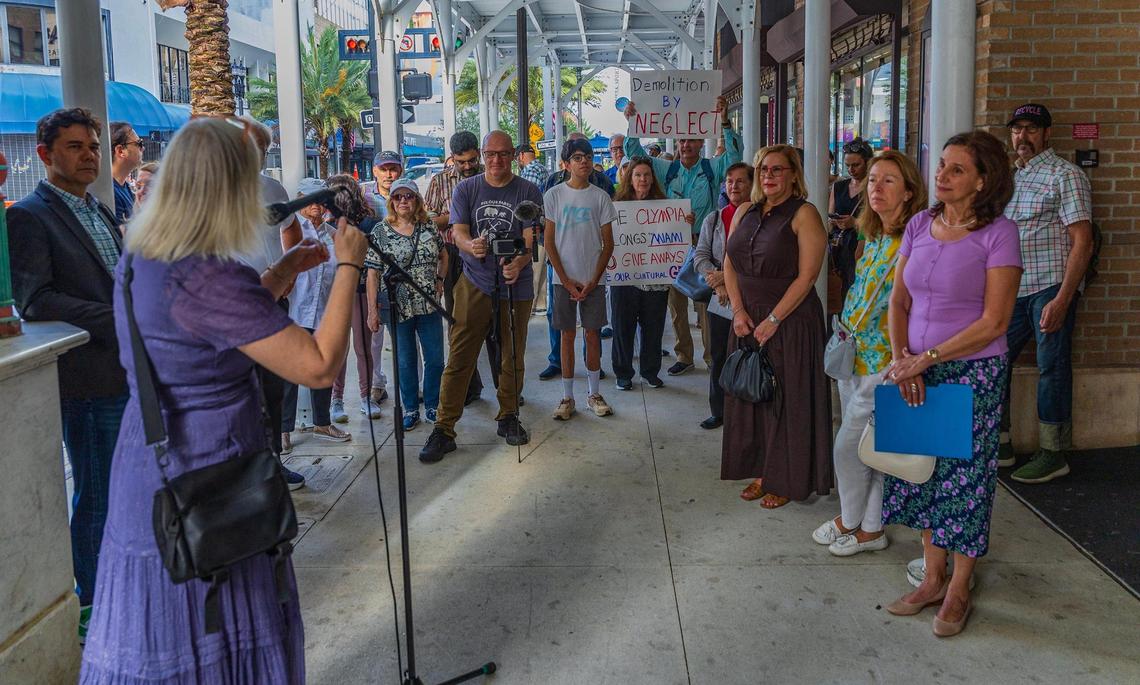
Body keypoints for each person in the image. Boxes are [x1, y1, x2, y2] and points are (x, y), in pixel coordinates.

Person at [78, 116, 369, 682]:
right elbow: (317, 366)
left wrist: (282, 270)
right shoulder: (209, 278)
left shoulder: (147, 258)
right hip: (212, 478)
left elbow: (209, 326)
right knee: (215, 630)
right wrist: (348, 266)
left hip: (153, 465)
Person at [882, 131, 1021, 638]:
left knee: (965, 480)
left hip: (971, 372)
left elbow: (995, 321)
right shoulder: (920, 223)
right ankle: (932, 577)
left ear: (983, 181)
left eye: (956, 169)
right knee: (923, 472)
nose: (941, 175)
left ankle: (960, 586)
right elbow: (898, 302)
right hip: (915, 368)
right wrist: (903, 360)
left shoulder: (999, 233)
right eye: (941, 165)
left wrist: (927, 359)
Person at [7, 107, 126, 643]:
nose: (88, 156)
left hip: (123, 370)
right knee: (97, 494)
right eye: (75, 146)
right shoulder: (30, 215)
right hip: (86, 378)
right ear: (45, 154)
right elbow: (36, 300)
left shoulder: (97, 207)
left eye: (93, 146)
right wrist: (120, 318)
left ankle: (120, 593)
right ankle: (94, 606)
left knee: (123, 492)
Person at [810, 151, 927, 557]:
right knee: (868, 448)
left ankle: (848, 518)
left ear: (910, 192)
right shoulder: (874, 236)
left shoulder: (914, 242)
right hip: (852, 353)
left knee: (848, 446)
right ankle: (870, 528)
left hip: (884, 361)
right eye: (873, 180)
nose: (876, 187)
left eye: (888, 181)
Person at [419, 131, 542, 463]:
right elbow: (457, 230)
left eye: (503, 154)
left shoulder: (527, 190)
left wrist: (519, 260)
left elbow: (530, 236)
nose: (496, 161)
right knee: (461, 353)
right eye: (491, 154)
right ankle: (444, 428)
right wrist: (469, 244)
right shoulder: (466, 189)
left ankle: (508, 415)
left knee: (512, 353)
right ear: (484, 155)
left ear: (514, 155)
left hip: (516, 285)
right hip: (474, 280)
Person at [720, 144, 832, 509]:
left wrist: (773, 319)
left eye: (777, 170)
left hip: (791, 319)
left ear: (793, 174)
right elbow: (729, 264)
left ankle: (786, 478)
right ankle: (762, 472)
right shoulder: (744, 212)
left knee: (788, 400)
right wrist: (738, 311)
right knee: (752, 395)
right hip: (746, 318)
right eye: (764, 169)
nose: (769, 176)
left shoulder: (804, 214)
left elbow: (808, 276)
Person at [1001, 103, 1094, 484]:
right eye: (1017, 129)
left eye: (1031, 129)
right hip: (1011, 289)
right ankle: (1000, 441)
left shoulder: (1065, 175)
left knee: (1051, 368)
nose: (1023, 137)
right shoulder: (1010, 178)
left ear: (1046, 134)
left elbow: (1082, 242)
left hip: (1049, 286)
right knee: (994, 361)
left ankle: (1053, 452)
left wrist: (1063, 298)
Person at [623, 96, 743, 375]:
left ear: (702, 143)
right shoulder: (667, 169)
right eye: (681, 141)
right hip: (671, 244)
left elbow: (735, 158)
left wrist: (725, 121)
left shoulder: (712, 169)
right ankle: (684, 355)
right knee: (676, 305)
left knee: (705, 303)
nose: (686, 145)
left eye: (691, 140)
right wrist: (632, 121)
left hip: (704, 243)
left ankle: (712, 357)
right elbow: (635, 154)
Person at [240, 118, 307, 488]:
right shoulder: (211, 191)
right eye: (252, 147)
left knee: (271, 388)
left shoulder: (272, 187)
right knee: (238, 392)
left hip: (271, 300)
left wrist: (290, 273)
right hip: (230, 307)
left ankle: (273, 463)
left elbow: (291, 229)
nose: (259, 156)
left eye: (264, 149)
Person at [365, 178, 448, 431]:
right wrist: (372, 310)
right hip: (396, 305)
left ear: (417, 200)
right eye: (398, 197)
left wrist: (440, 279)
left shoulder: (429, 227)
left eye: (409, 196)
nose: (403, 201)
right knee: (405, 360)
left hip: (428, 304)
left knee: (435, 358)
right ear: (391, 201)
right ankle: (411, 408)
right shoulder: (380, 231)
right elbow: (372, 273)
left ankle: (433, 404)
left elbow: (444, 254)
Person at [544, 137, 617, 420]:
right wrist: (565, 278)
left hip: (593, 280)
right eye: (576, 157)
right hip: (563, 280)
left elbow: (608, 244)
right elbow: (549, 243)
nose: (583, 161)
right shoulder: (554, 196)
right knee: (567, 335)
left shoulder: (601, 197)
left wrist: (593, 279)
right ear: (565, 164)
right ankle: (567, 396)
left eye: (587, 156)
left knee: (592, 334)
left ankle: (594, 393)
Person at [424, 131, 497, 405]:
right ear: (452, 159)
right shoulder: (439, 181)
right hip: (453, 255)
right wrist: (456, 219)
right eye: (461, 162)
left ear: (478, 154)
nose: (467, 166)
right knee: (460, 323)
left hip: (488, 255)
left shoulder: (490, 176)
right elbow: (429, 220)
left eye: (472, 160)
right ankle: (469, 385)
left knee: (495, 323)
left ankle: (506, 385)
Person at [281, 177, 352, 452]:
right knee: (289, 375)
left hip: (323, 312)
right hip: (297, 311)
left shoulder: (332, 234)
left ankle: (323, 423)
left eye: (319, 200)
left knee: (323, 369)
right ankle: (284, 429)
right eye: (308, 199)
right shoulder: (291, 232)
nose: (315, 206)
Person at [693, 162, 753, 429]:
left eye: (740, 181)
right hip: (720, 300)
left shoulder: (759, 218)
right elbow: (700, 257)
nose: (734, 186)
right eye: (729, 181)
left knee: (749, 356)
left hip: (749, 298)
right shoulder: (714, 219)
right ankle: (719, 410)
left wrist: (727, 280)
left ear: (752, 185)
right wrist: (717, 282)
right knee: (719, 355)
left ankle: (746, 411)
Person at [609, 158, 673, 391]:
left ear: (652, 178)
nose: (643, 179)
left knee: (654, 327)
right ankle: (623, 373)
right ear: (630, 178)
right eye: (638, 175)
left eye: (646, 175)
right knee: (622, 326)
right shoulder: (617, 205)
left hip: (655, 278)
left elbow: (674, 236)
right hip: (624, 277)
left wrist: (684, 223)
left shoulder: (665, 206)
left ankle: (650, 371)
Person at [327, 174, 385, 422]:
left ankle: (365, 397)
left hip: (360, 288)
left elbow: (374, 261)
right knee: (339, 348)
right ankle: (336, 399)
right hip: (337, 292)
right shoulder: (326, 222)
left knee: (364, 346)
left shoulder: (368, 223)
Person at [360, 150, 403, 405]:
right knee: (375, 334)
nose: (389, 174)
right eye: (384, 168)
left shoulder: (408, 195)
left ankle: (414, 387)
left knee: (407, 335)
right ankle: (376, 384)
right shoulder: (363, 196)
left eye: (393, 168)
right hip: (373, 272)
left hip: (402, 273)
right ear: (375, 170)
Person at [828, 138, 873, 306]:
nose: (851, 170)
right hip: (838, 245)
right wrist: (834, 221)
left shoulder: (872, 188)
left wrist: (855, 223)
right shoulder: (839, 187)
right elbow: (830, 214)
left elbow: (878, 223)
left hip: (860, 245)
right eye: (847, 165)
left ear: (868, 163)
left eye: (856, 165)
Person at [109, 121, 143, 222]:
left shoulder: (124, 187)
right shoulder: (111, 193)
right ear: (120, 151)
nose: (143, 148)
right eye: (139, 143)